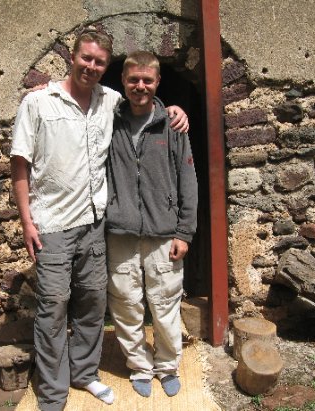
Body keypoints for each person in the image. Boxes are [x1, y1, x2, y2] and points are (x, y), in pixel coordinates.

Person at [10, 30, 188, 411]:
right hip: (56, 225)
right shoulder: (41, 102)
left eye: (99, 62)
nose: (91, 66)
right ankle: (55, 393)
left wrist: (174, 109)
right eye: (86, 58)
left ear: (107, 69)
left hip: (95, 224)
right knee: (56, 308)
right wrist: (26, 221)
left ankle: (87, 373)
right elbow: (20, 164)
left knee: (95, 306)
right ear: (73, 57)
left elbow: (150, 108)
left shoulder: (115, 104)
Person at [105, 50, 198, 398]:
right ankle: (139, 367)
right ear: (124, 83)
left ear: (157, 82)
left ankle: (167, 366)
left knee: (164, 304)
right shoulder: (108, 121)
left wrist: (184, 231)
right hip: (120, 232)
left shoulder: (172, 125)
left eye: (147, 80)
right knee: (126, 305)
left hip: (164, 233)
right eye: (133, 80)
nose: (140, 86)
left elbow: (188, 179)